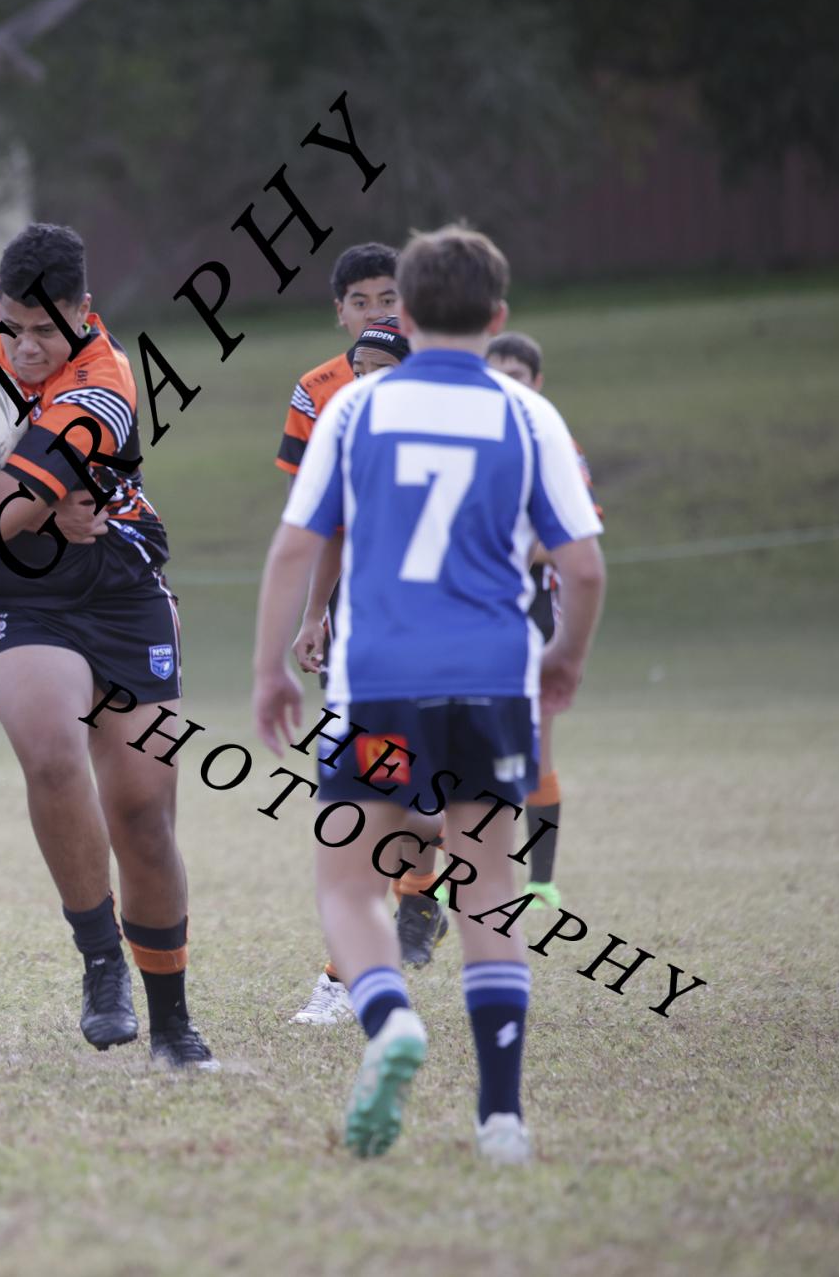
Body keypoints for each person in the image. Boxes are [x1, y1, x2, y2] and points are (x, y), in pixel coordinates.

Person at [251, 224, 607, 1163]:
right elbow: (584, 566)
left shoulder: (354, 408)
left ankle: (390, 1018)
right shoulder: (528, 415)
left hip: (381, 686)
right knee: (489, 887)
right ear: (498, 316)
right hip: (491, 682)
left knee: (348, 879)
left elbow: (295, 547)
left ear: (401, 313)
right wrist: (563, 659)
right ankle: (502, 1118)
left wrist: (268, 667)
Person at [0, 223, 220, 1071]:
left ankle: (172, 1022)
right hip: (15, 596)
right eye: (13, 328)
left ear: (83, 311)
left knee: (142, 813)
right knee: (54, 754)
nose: (25, 348)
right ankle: (101, 960)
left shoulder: (100, 391)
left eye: (44, 333)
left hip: (121, 594)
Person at [282, 265, 456, 1028]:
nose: (369, 382)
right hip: (369, 647)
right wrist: (313, 616)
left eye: (390, 301)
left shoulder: (462, 422)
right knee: (379, 801)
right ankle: (370, 952)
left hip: (446, 649)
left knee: (396, 804)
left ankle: (372, 952)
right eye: (363, 370)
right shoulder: (337, 417)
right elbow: (321, 527)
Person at [485, 331, 598, 911]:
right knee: (465, 743)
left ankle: (541, 880)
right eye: (497, 375)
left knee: (534, 744)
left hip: (531, 607)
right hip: (471, 611)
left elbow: (574, 543)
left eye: (518, 377)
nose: (508, 386)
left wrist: (506, 550)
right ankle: (456, 873)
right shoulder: (472, 435)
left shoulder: (555, 442)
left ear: (538, 382)